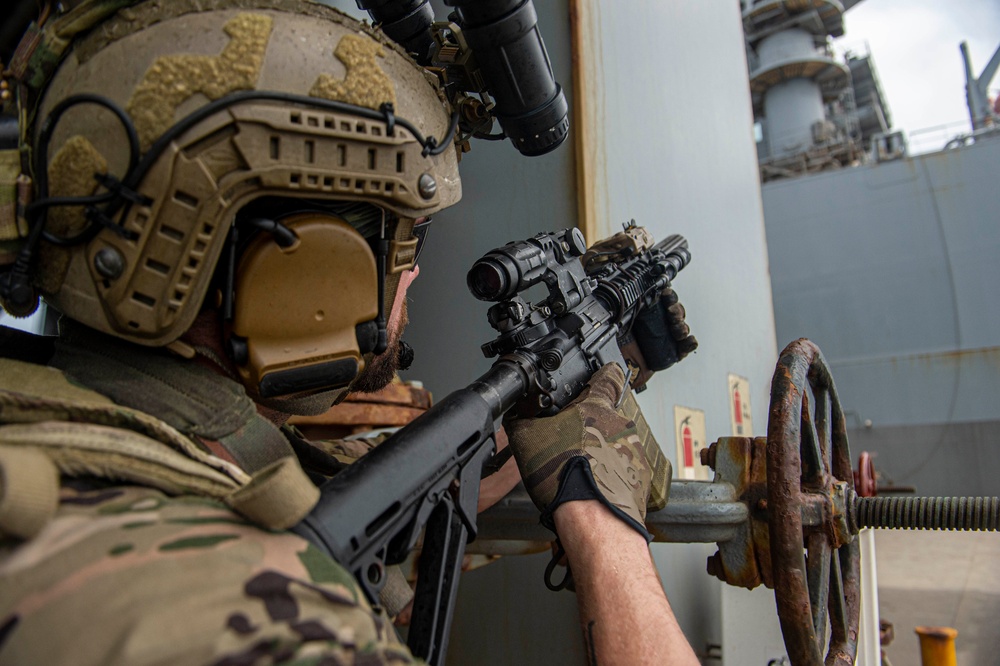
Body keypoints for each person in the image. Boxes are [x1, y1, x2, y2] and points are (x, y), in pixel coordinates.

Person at [0, 1, 697, 663]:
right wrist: (602, 519)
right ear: (300, 269)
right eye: (409, 245)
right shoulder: (256, 625)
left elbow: (317, 487)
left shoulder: (83, 423)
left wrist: (569, 402)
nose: (415, 278)